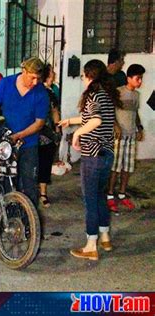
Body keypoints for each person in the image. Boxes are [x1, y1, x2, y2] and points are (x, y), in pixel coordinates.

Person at [59, 59, 118, 261]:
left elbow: (95, 120)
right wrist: (71, 121)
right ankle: (105, 236)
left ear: (89, 75)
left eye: (84, 75)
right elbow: (91, 118)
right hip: (107, 154)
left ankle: (91, 245)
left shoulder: (93, 95)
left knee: (90, 199)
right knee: (100, 196)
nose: (83, 79)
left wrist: (76, 135)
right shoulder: (106, 95)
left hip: (93, 155)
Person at [0, 57, 49, 206]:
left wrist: (19, 136)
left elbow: (39, 123)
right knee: (7, 181)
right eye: (32, 78)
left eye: (38, 79)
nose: (35, 82)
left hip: (29, 144)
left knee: (29, 183)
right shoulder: (6, 84)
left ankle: (29, 220)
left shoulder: (41, 93)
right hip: (6, 143)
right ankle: (7, 216)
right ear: (24, 71)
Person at [107, 64, 146, 214]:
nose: (140, 81)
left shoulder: (137, 95)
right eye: (138, 78)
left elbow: (135, 113)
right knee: (115, 166)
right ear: (129, 78)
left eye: (141, 78)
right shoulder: (118, 92)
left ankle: (122, 193)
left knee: (128, 167)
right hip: (119, 137)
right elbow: (110, 112)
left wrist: (140, 128)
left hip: (131, 136)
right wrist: (115, 125)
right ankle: (110, 194)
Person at [38, 64, 61, 207]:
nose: (54, 74)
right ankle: (40, 193)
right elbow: (54, 112)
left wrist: (57, 129)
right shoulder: (40, 91)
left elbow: (55, 111)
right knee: (39, 163)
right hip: (38, 132)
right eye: (52, 72)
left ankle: (42, 193)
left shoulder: (52, 91)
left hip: (46, 133)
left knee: (45, 163)